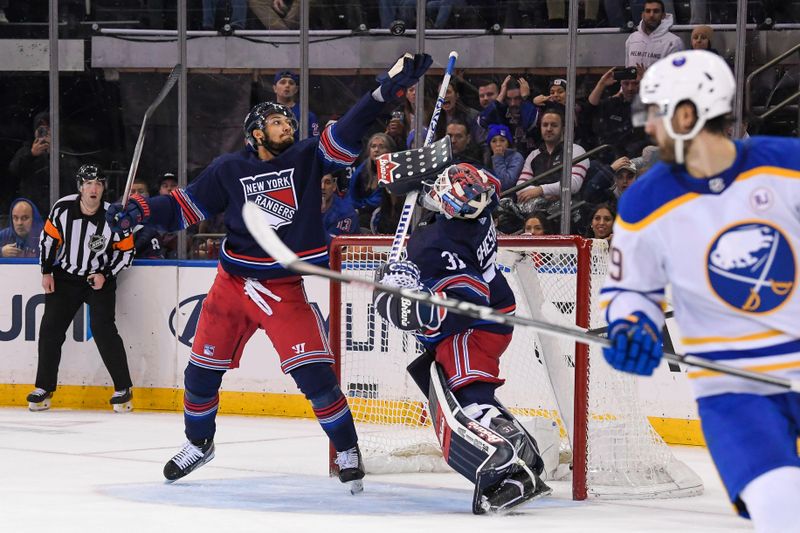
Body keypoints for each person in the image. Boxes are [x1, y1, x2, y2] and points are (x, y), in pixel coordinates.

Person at [106, 53, 432, 491]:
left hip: (282, 286)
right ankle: (199, 443)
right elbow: (183, 208)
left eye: (288, 121)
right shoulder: (229, 169)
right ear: (256, 132)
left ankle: (348, 449)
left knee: (315, 376)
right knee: (199, 375)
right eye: (278, 121)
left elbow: (350, 129)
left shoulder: (307, 156)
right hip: (233, 284)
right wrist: (141, 212)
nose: (288, 126)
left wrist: (382, 92)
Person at [601, 50, 800, 532]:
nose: (649, 128)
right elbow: (630, 290)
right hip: (731, 389)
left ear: (688, 115)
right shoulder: (644, 200)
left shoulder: (788, 168)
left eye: (656, 114)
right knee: (782, 510)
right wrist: (631, 324)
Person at [373, 162, 550, 513]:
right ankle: (525, 456)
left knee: (468, 401)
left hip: (473, 327)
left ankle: (503, 462)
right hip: (490, 317)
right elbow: (445, 199)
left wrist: (415, 301)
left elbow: (468, 300)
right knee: (470, 392)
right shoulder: (478, 215)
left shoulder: (442, 241)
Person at [27, 165, 135, 413]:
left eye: (98, 183)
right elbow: (47, 240)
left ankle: (123, 388)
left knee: (103, 329)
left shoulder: (114, 216)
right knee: (50, 329)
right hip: (66, 277)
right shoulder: (63, 208)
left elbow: (127, 252)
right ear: (80, 187)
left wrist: (105, 274)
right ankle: (44, 387)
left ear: (103, 187)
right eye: (88, 184)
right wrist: (46, 271)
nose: (93, 188)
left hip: (99, 279)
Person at [625, 0, 684, 69]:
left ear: (663, 15)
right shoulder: (632, 38)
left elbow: (676, 74)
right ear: (643, 15)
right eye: (648, 11)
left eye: (656, 11)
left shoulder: (674, 42)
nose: (651, 15)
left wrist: (646, 77)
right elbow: (627, 68)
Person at [272, 70, 320, 140]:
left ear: (296, 89)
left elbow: (314, 142)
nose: (287, 85)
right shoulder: (265, 114)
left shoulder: (307, 116)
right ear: (275, 88)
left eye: (291, 83)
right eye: (283, 82)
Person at [486, 123, 524, 192]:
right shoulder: (487, 159)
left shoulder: (516, 157)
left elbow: (505, 184)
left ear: (508, 142)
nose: (498, 144)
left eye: (502, 140)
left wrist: (498, 157)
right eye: (494, 141)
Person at [321, 171, 358, 242]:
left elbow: (334, 246)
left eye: (327, 183)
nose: (322, 187)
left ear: (334, 186)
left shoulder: (346, 213)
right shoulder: (303, 206)